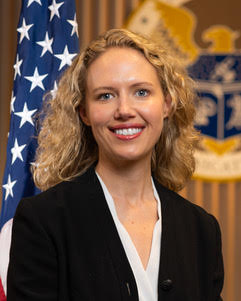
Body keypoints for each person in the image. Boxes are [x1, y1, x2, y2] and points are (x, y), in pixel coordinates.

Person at [7, 29, 224, 301]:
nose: (124, 110)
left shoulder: (201, 229)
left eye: (141, 92)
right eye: (105, 96)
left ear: (166, 105)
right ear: (84, 112)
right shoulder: (43, 220)